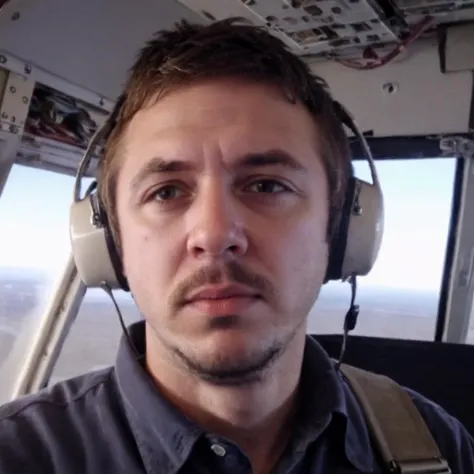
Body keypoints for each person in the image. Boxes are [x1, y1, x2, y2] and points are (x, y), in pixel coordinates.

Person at [0, 17, 473, 474]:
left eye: (267, 185)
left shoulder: (437, 446)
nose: (214, 235)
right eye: (166, 192)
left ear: (344, 227)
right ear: (109, 242)